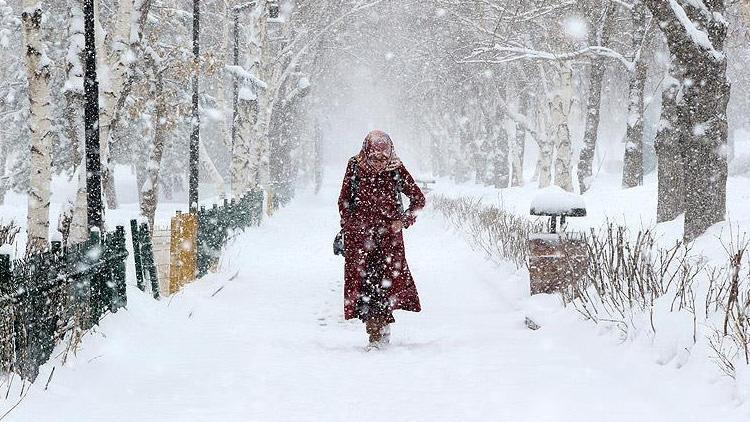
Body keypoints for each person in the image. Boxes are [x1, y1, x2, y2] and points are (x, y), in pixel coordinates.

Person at [338, 130, 426, 348]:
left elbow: (418, 200)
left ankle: (379, 332)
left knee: (384, 286)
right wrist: (350, 225)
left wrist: (403, 221)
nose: (379, 163)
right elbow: (344, 200)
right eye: (375, 158)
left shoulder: (396, 169)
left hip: (389, 242)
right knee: (365, 287)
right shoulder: (355, 166)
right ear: (367, 152)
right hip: (360, 240)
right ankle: (374, 331)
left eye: (383, 158)